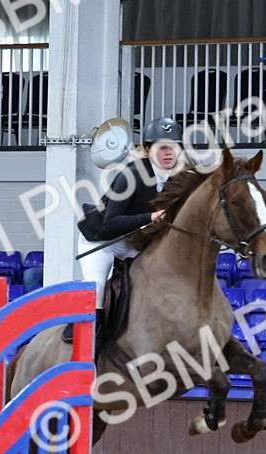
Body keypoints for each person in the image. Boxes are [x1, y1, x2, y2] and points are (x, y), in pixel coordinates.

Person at [66, 115, 184, 343]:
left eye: (174, 147)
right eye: (162, 147)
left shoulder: (177, 178)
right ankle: (88, 343)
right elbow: (111, 222)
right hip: (101, 241)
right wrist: (149, 217)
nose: (169, 152)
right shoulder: (131, 175)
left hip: (133, 241)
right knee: (98, 287)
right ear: (148, 151)